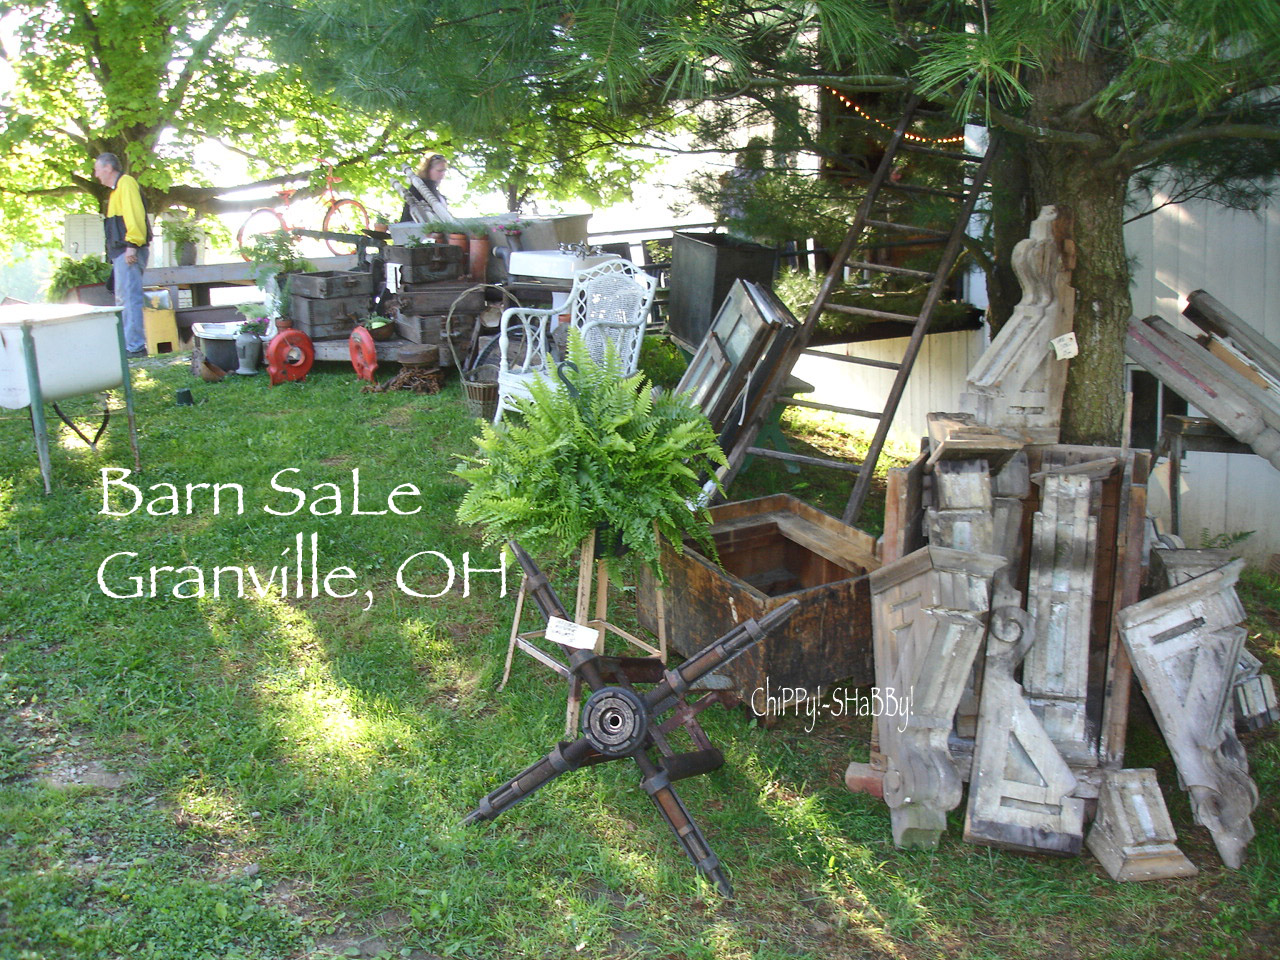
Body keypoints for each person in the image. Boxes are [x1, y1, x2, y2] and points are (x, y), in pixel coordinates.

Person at [93, 152, 152, 358]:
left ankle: (135, 347)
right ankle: (129, 344)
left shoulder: (126, 183)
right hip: (121, 252)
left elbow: (134, 214)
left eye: (97, 169)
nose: (96, 174)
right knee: (123, 299)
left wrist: (133, 244)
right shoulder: (114, 192)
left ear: (108, 168)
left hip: (129, 250)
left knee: (129, 298)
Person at [399, 154, 456, 225]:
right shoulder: (421, 187)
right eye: (439, 171)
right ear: (428, 170)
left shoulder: (434, 190)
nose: (442, 174)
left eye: (444, 171)